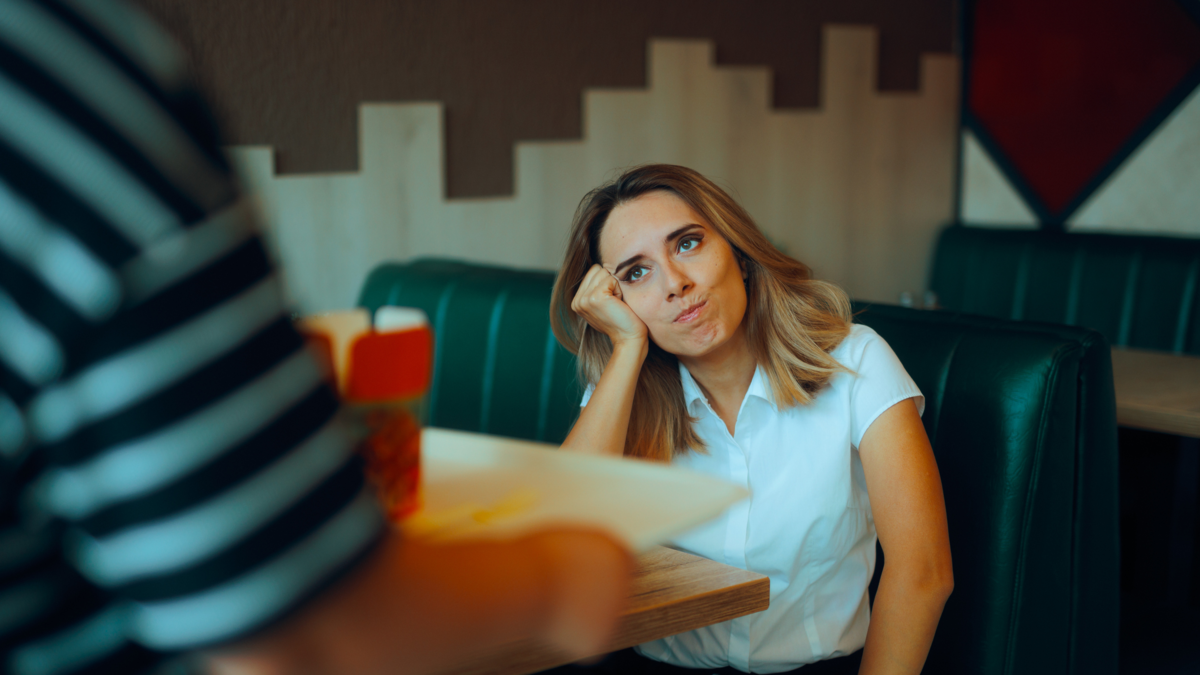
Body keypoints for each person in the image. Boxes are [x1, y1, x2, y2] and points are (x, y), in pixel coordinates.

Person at [0, 1, 629, 674]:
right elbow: (305, 629)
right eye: (636, 269)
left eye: (688, 243)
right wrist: (563, 580)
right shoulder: (66, 75)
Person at [549, 165, 954, 674]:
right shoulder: (625, 386)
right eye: (635, 273)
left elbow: (924, 574)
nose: (675, 283)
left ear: (739, 253)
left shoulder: (856, 360)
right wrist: (628, 346)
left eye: (688, 244)